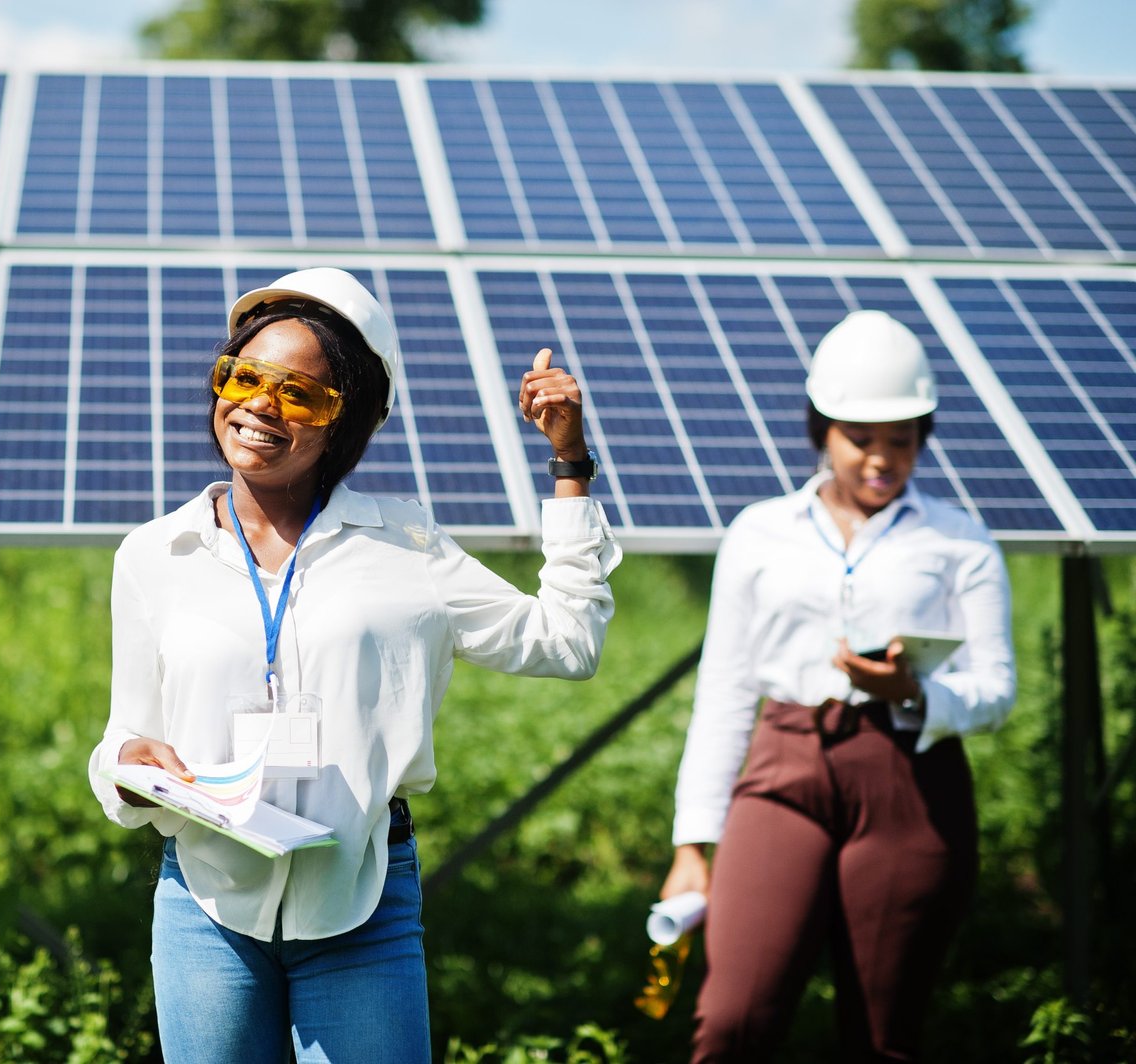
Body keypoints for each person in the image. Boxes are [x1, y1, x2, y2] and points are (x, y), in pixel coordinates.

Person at [87, 267, 621, 1062]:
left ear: (349, 421)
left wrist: (570, 465)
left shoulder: (407, 549)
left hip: (362, 902)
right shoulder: (155, 555)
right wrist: (128, 761)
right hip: (206, 903)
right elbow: (124, 736)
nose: (262, 406)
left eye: (301, 394)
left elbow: (568, 642)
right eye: (244, 377)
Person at [659, 309, 1017, 1062]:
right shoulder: (761, 531)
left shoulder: (959, 541)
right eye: (862, 438)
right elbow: (724, 689)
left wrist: (913, 696)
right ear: (821, 430)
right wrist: (693, 844)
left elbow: (997, 687)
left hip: (910, 781)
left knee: (884, 1037)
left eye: (902, 440)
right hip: (784, 764)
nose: (882, 459)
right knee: (733, 1020)